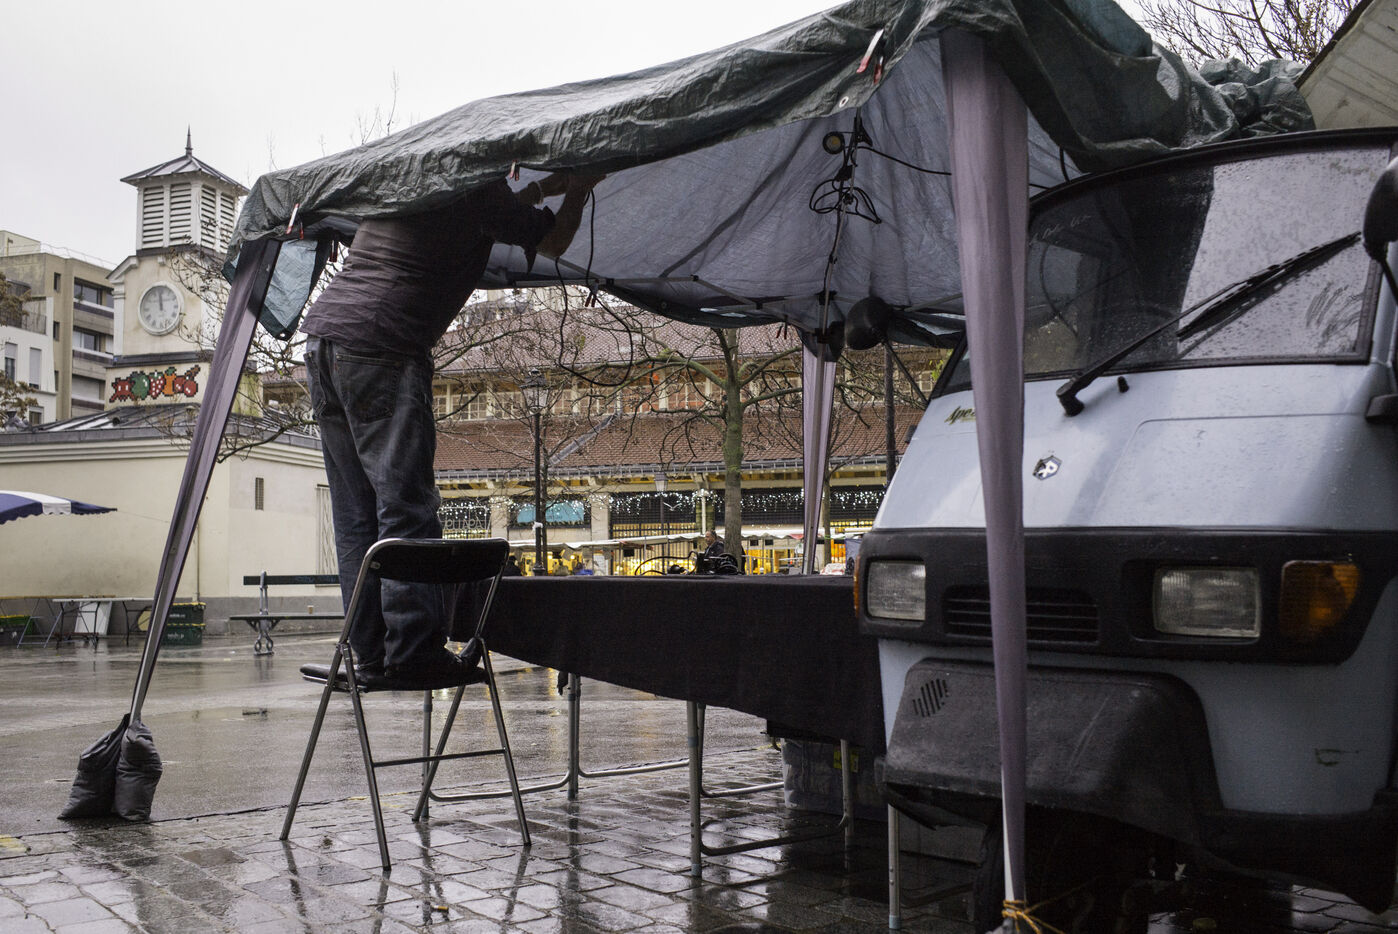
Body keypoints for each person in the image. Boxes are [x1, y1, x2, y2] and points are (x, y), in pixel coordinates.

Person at [302, 171, 602, 690]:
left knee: (355, 515)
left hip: (324, 341)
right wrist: (579, 187)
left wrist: (537, 191)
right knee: (406, 508)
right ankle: (414, 652)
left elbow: (490, 214)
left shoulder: (416, 178)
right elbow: (552, 240)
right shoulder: (479, 188)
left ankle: (367, 655)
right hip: (383, 342)